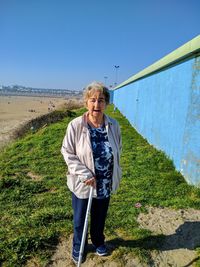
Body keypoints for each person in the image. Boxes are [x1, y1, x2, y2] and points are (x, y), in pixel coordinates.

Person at [61, 81, 122, 263]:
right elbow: (67, 151)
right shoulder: (76, 125)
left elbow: (118, 148)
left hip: (105, 181)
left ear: (106, 103)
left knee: (99, 217)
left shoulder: (113, 124)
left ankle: (97, 241)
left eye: (101, 100)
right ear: (86, 102)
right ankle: (78, 246)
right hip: (84, 181)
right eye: (93, 100)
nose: (97, 105)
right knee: (80, 219)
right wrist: (84, 173)